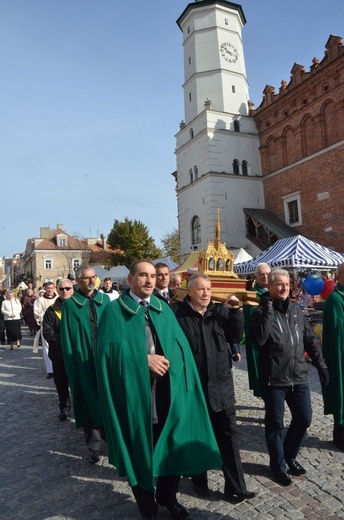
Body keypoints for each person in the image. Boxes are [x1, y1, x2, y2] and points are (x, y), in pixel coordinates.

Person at [95, 259, 222, 520]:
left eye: (152, 275)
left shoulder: (162, 308)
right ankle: (146, 504)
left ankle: (168, 495)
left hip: (167, 392)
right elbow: (106, 356)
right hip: (134, 395)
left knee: (171, 443)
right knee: (139, 446)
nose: (149, 280)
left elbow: (180, 348)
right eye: (143, 275)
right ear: (130, 279)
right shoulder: (113, 311)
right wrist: (142, 361)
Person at [172, 273, 256, 503]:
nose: (205, 293)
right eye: (200, 289)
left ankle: (236, 487)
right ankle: (200, 481)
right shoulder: (179, 316)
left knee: (229, 438)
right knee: (199, 438)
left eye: (208, 289)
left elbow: (236, 335)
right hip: (195, 390)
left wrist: (236, 312)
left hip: (222, 387)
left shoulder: (219, 312)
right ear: (189, 292)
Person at [250, 268, 329, 486]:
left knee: (304, 418)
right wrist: (266, 308)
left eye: (287, 284)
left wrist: (320, 365)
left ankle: (289, 456)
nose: (284, 288)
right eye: (279, 284)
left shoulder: (296, 310)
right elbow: (259, 339)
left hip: (299, 377)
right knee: (275, 424)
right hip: (274, 378)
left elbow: (310, 340)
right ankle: (278, 465)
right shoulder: (261, 311)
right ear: (270, 286)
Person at [60, 264, 110, 463]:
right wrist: (73, 368)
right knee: (87, 401)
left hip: (104, 361)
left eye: (93, 277)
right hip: (84, 362)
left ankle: (112, 440)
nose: (91, 281)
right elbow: (67, 340)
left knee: (107, 400)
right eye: (86, 278)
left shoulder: (105, 301)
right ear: (78, 281)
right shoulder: (71, 305)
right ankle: (94, 447)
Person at [43, 278, 74, 422]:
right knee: (61, 384)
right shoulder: (51, 311)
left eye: (68, 288)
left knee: (79, 384)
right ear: (57, 290)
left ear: (72, 289)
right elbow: (48, 333)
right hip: (59, 354)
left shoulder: (80, 308)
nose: (65, 291)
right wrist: (66, 341)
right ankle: (65, 408)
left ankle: (82, 409)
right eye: (61, 289)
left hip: (78, 355)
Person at [322, 262, 344, 451]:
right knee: (341, 393)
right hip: (340, 357)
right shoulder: (336, 299)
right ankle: (340, 436)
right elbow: (339, 333)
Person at [243, 262, 271, 398]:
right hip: (260, 340)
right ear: (256, 277)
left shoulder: (275, 291)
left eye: (267, 274)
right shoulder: (252, 295)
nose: (265, 277)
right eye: (261, 274)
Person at [34, 281, 58, 378]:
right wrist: (43, 317)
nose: (50, 290)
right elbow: (37, 312)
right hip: (46, 326)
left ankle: (59, 368)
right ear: (45, 288)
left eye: (52, 287)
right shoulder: (40, 300)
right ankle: (50, 370)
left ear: (54, 288)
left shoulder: (58, 298)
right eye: (48, 288)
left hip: (58, 325)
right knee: (47, 348)